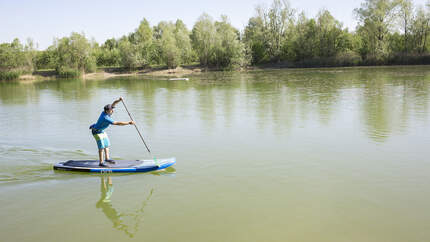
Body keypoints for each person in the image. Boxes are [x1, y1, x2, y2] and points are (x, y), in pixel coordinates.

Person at [89, 97, 134, 166]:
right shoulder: (105, 118)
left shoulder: (107, 111)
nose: (112, 111)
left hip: (101, 130)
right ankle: (101, 163)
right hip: (96, 132)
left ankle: (107, 159)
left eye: (112, 109)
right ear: (107, 111)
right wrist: (128, 123)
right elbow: (117, 123)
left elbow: (114, 103)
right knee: (101, 147)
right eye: (111, 110)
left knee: (106, 145)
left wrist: (119, 100)